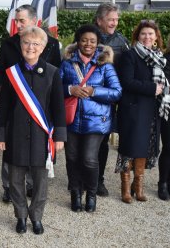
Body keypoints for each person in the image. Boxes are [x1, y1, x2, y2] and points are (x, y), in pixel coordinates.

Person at [0, 4, 61, 203]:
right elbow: (0, 69)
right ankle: (9, 187)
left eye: (21, 21)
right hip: (15, 105)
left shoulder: (51, 44)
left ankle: (32, 187)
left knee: (38, 151)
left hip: (39, 108)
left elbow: (56, 74)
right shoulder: (9, 43)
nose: (16, 24)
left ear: (35, 22)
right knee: (11, 149)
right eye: (16, 20)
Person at [0, 26, 66, 235]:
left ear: (43, 48)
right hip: (15, 135)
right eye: (27, 43)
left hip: (42, 137)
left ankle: (36, 217)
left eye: (36, 44)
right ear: (20, 45)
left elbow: (58, 107)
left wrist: (60, 136)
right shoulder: (12, 74)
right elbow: (3, 107)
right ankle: (21, 216)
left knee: (41, 182)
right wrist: (0, 135)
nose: (31, 47)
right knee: (15, 181)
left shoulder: (53, 73)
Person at [60, 24, 122, 212]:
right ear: (78, 41)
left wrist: (94, 91)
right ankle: (76, 193)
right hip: (71, 119)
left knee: (89, 159)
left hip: (97, 120)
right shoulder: (67, 63)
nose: (88, 44)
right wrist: (70, 89)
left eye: (92, 41)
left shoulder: (105, 65)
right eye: (84, 40)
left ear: (98, 44)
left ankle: (92, 194)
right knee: (71, 157)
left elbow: (117, 92)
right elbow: (54, 88)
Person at [116, 20, 169, 203]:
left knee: (144, 149)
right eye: (143, 34)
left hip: (152, 110)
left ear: (156, 37)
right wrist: (152, 88)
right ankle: (125, 188)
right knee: (129, 147)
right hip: (133, 109)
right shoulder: (129, 55)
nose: (147, 37)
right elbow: (126, 82)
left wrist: (164, 89)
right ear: (137, 36)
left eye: (151, 34)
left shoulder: (158, 56)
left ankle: (138, 187)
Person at [94, 3, 130, 196]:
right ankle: (81, 178)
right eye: (111, 19)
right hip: (88, 96)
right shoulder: (88, 37)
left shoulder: (122, 42)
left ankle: (98, 180)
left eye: (116, 19)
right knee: (83, 141)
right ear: (100, 20)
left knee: (102, 141)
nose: (114, 23)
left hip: (109, 99)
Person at [158, 32, 170, 201]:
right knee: (169, 147)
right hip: (169, 108)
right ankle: (162, 183)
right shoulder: (167, 58)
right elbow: (167, 84)